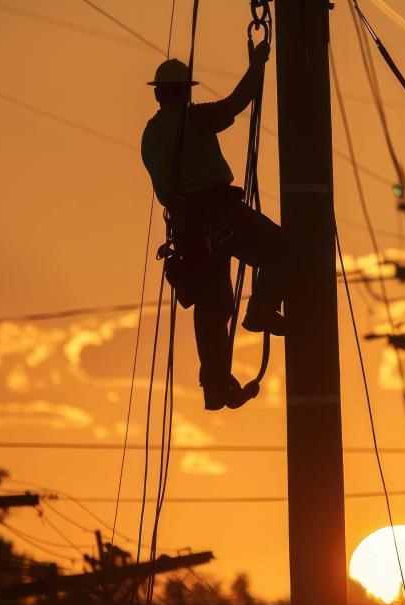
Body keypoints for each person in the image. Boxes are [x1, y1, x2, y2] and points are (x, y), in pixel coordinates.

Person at [141, 42, 288, 411]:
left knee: (212, 307)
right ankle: (262, 308)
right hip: (216, 217)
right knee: (280, 248)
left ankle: (216, 385)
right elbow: (239, 101)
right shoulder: (193, 119)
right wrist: (256, 63)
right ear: (183, 92)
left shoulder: (150, 134)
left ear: (158, 94)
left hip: (187, 232)